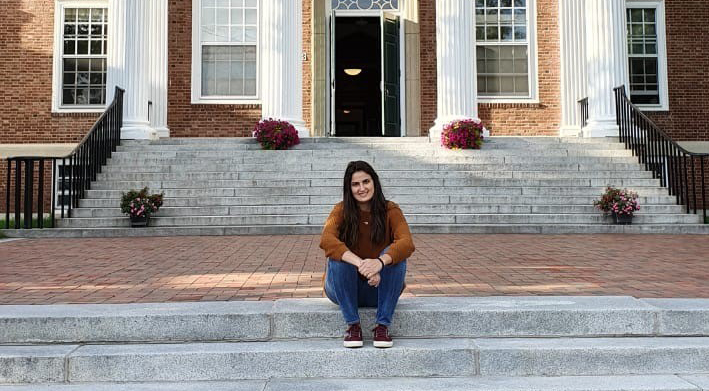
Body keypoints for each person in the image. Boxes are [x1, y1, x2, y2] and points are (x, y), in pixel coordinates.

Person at [320, 160, 415, 348]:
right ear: (349, 188)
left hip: (378, 288)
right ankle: (353, 326)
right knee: (339, 256)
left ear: (374, 183)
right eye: (355, 184)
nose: (361, 188)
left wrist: (379, 263)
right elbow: (327, 240)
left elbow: (407, 243)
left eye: (366, 182)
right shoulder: (341, 210)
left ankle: (382, 327)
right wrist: (363, 265)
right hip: (342, 289)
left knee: (396, 253)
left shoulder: (391, 210)